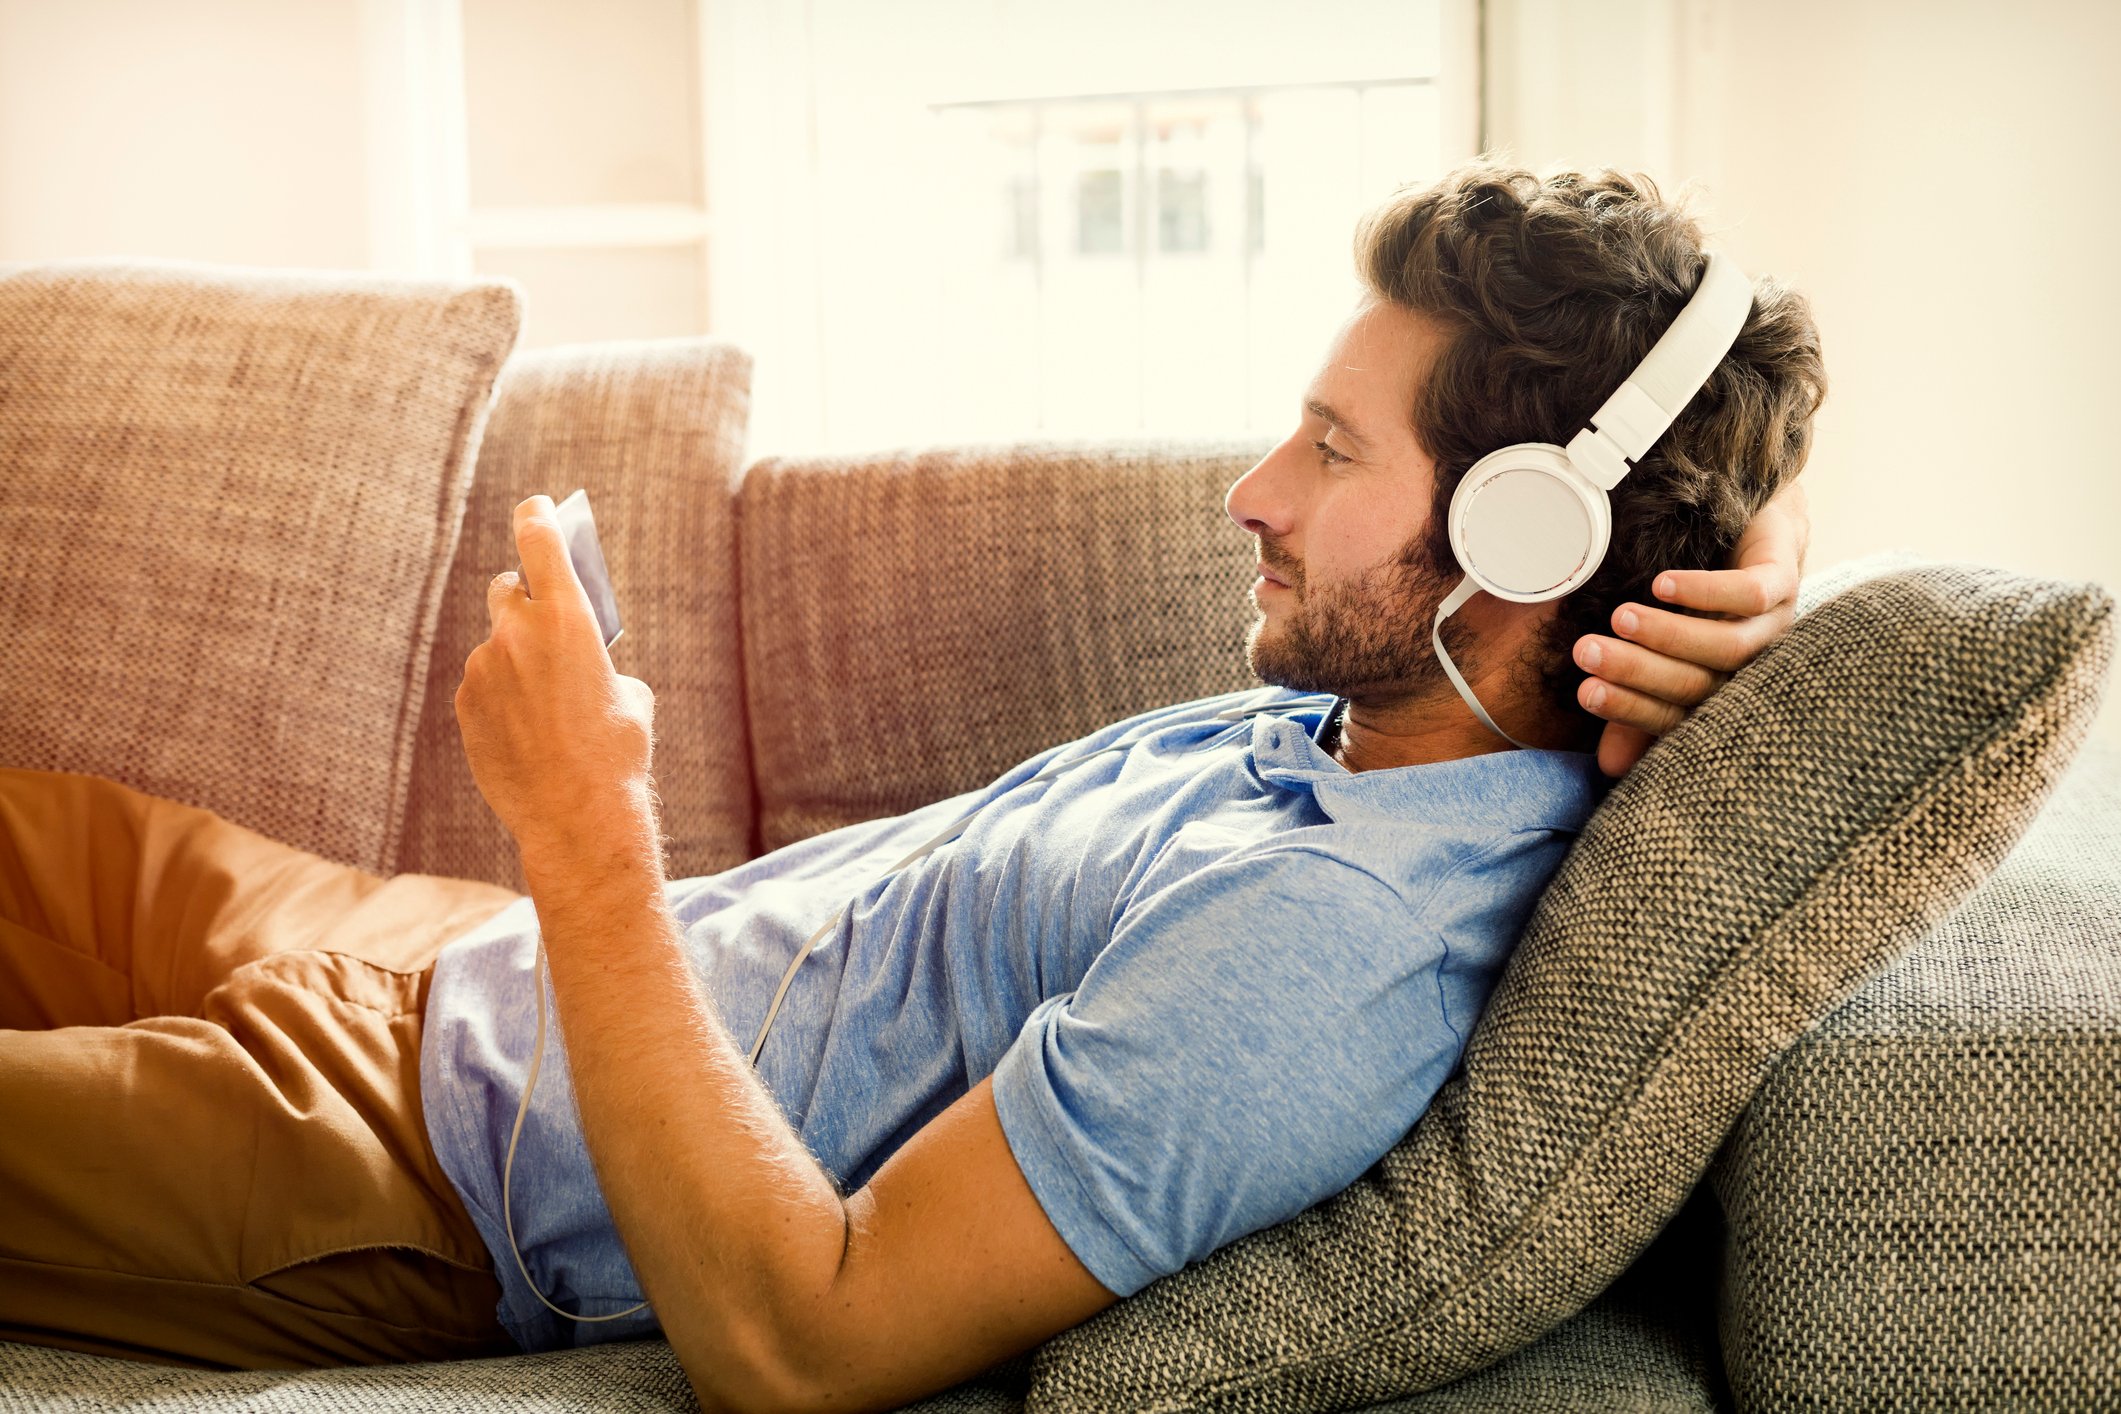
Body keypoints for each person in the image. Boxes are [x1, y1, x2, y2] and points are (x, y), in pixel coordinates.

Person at [0, 160, 1824, 1411]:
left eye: (1332, 449)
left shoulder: (1325, 952)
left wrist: (584, 826)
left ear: (1524, 532)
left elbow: (803, 1342)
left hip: (418, 1166)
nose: (1252, 490)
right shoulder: (1391, 708)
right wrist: (1763, 544)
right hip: (437, 954)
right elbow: (1727, 428)